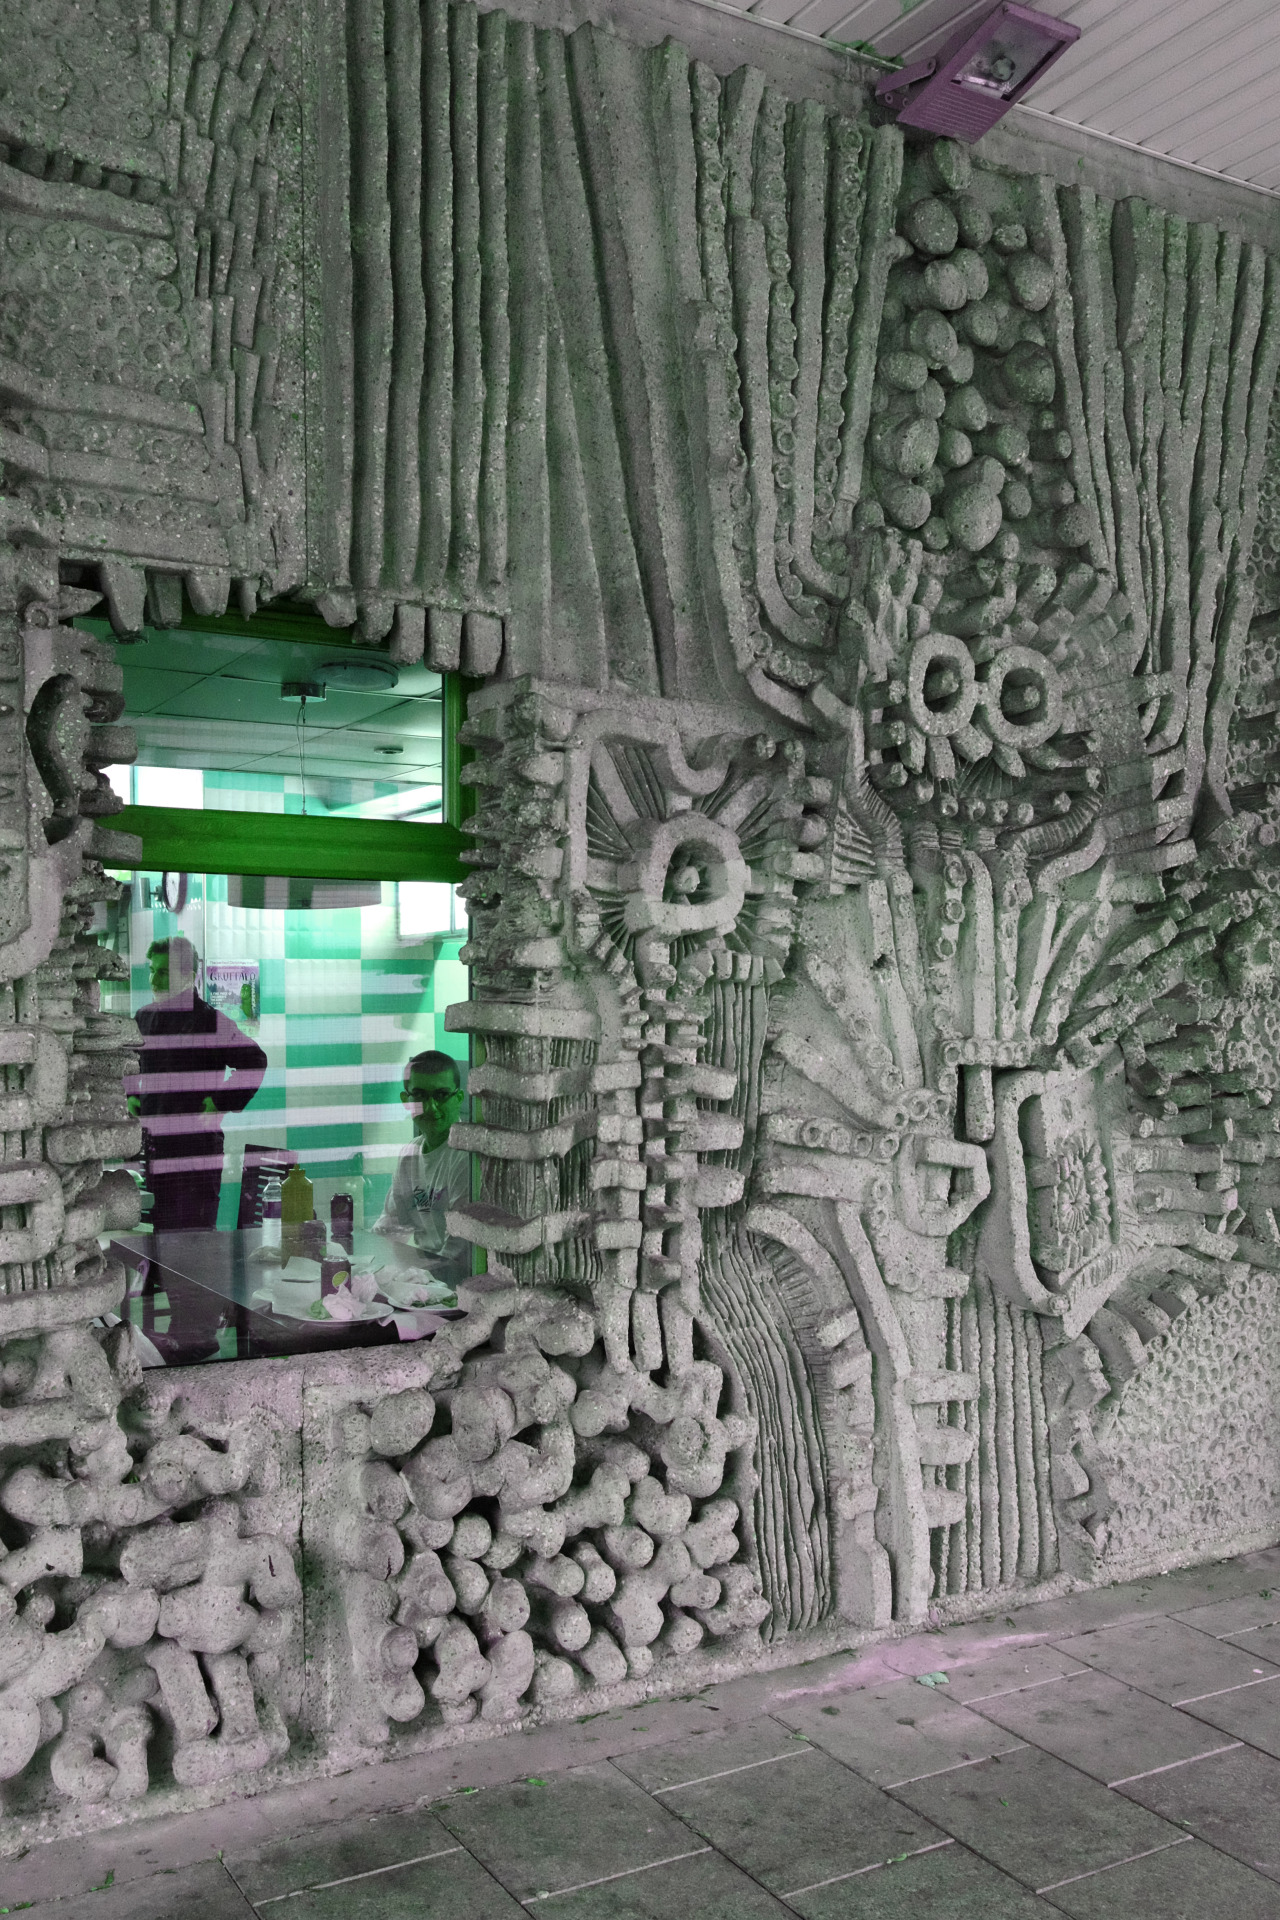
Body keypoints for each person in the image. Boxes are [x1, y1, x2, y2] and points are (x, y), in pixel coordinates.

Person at [125, 936, 268, 1232]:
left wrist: (219, 1102)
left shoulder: (208, 1021)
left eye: (163, 972)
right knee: (160, 1240)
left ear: (188, 977)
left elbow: (255, 1061)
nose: (153, 979)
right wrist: (131, 1095)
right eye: (152, 970)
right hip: (155, 1149)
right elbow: (128, 1063)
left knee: (194, 1242)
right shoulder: (144, 1018)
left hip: (195, 1152)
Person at [373, 1050, 471, 1283]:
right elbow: (392, 1222)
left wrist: (425, 1281)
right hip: (427, 1273)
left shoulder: (466, 1154)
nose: (431, 1107)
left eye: (441, 1095)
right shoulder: (409, 1155)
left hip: (460, 1279)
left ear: (459, 1098)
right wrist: (370, 1264)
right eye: (419, 1096)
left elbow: (459, 1242)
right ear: (406, 1101)